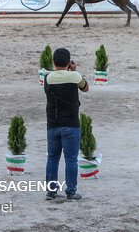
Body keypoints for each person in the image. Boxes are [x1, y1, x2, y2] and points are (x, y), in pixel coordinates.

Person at [43, 48, 88, 202]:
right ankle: (71, 192)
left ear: (53, 62)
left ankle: (51, 191)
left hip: (53, 123)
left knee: (52, 158)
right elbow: (85, 88)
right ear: (69, 62)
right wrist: (74, 71)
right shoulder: (75, 76)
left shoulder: (47, 78)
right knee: (71, 159)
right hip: (71, 124)